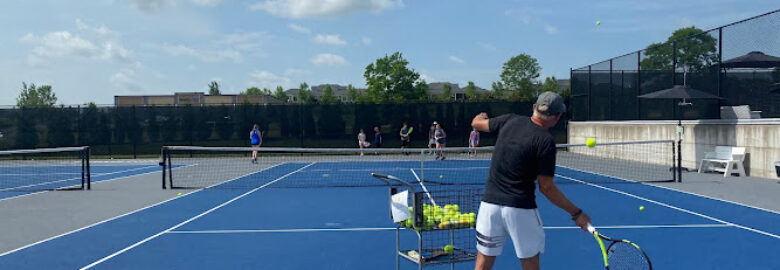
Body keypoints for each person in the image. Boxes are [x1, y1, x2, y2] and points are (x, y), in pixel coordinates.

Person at [470, 92, 591, 270]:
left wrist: (480, 116)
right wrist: (576, 213)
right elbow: (547, 188)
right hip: (520, 209)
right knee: (530, 264)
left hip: (489, 206)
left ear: (534, 108)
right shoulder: (545, 141)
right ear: (557, 117)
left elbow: (476, 123)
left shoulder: (509, 120)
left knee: (483, 262)